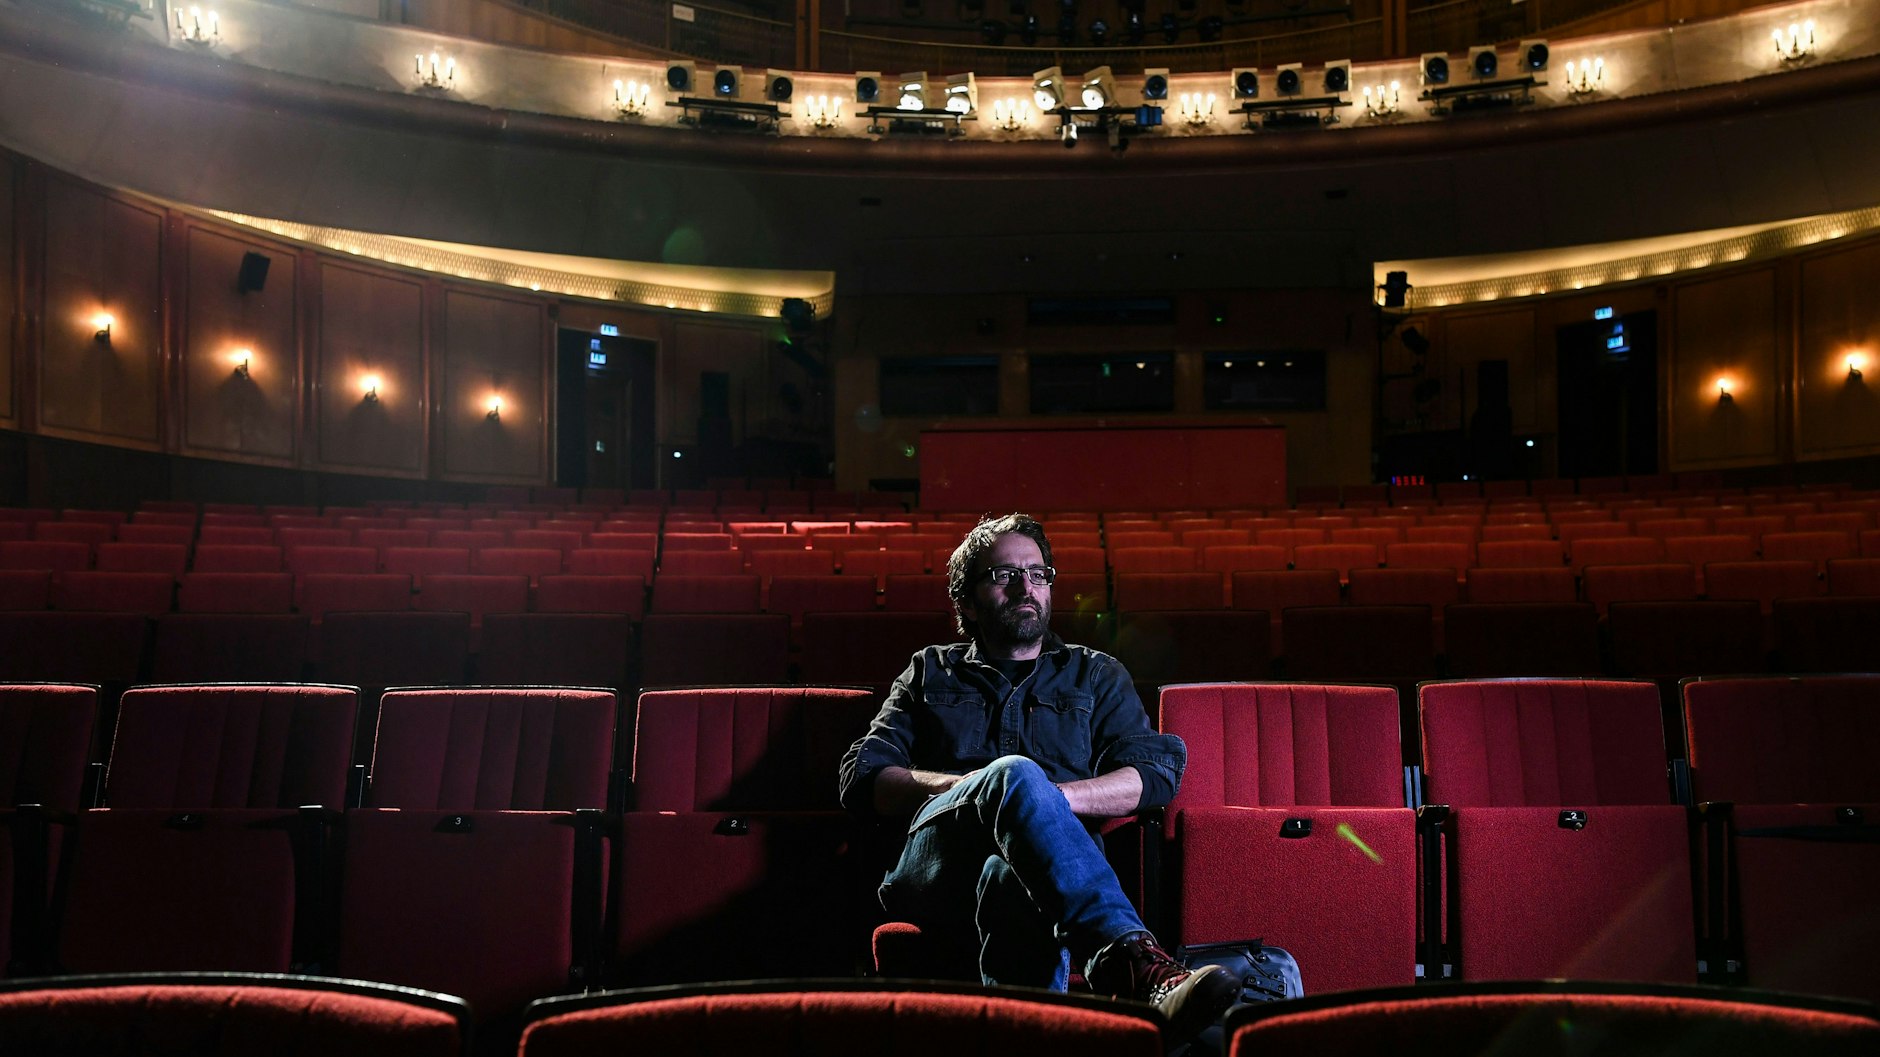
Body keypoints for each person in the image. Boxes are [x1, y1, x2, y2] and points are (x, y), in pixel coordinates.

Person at [839, 513, 1238, 1039]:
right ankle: (1130, 962)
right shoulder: (930, 669)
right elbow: (864, 776)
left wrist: (1037, 803)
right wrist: (988, 791)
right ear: (966, 601)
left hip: (1048, 881)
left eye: (1038, 574)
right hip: (935, 871)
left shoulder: (1095, 673)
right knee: (1013, 776)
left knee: (1011, 875)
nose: (1025, 587)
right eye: (1004, 575)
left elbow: (1153, 775)